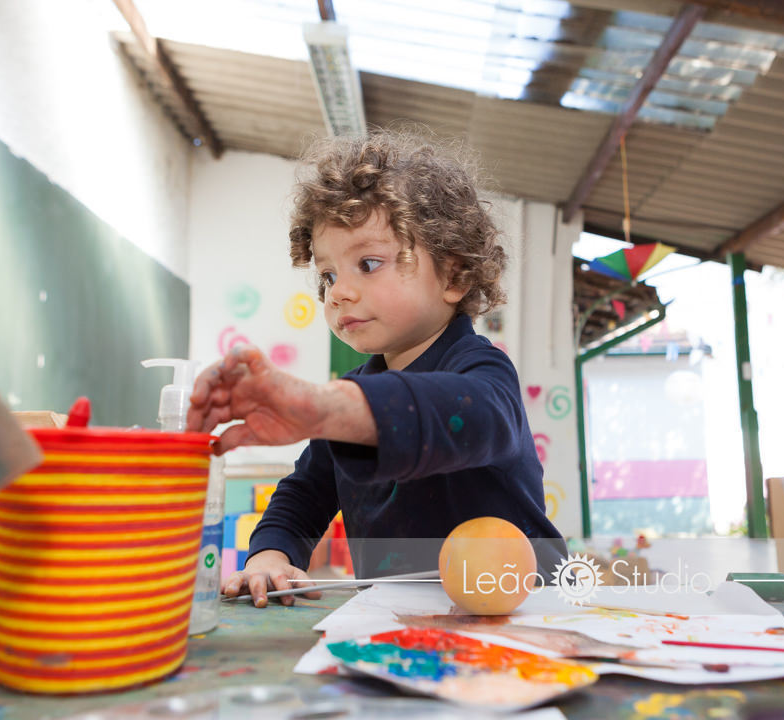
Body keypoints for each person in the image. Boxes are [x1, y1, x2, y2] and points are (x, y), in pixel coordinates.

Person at [187, 130, 566, 608]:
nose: (338, 292)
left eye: (367, 263)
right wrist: (269, 554)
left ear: (453, 275)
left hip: (532, 617)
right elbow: (303, 494)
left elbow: (473, 417)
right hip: (402, 630)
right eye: (327, 275)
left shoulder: (481, 368)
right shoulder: (356, 391)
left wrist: (325, 406)